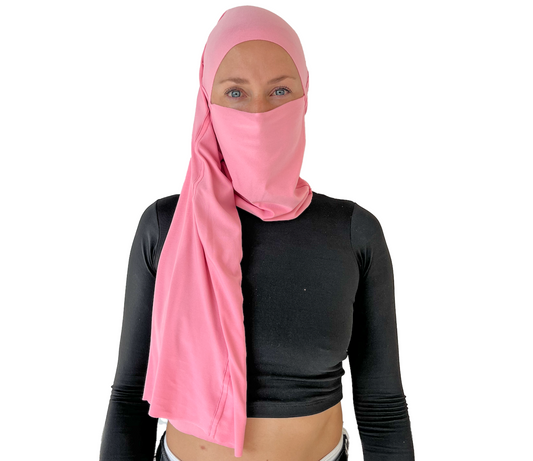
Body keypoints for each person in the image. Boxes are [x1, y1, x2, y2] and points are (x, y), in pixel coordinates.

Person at [100, 6, 415, 461]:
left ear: (305, 95)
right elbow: (131, 399)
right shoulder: (165, 227)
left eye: (280, 90)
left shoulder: (353, 233)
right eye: (236, 92)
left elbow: (382, 407)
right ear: (208, 102)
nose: (260, 112)